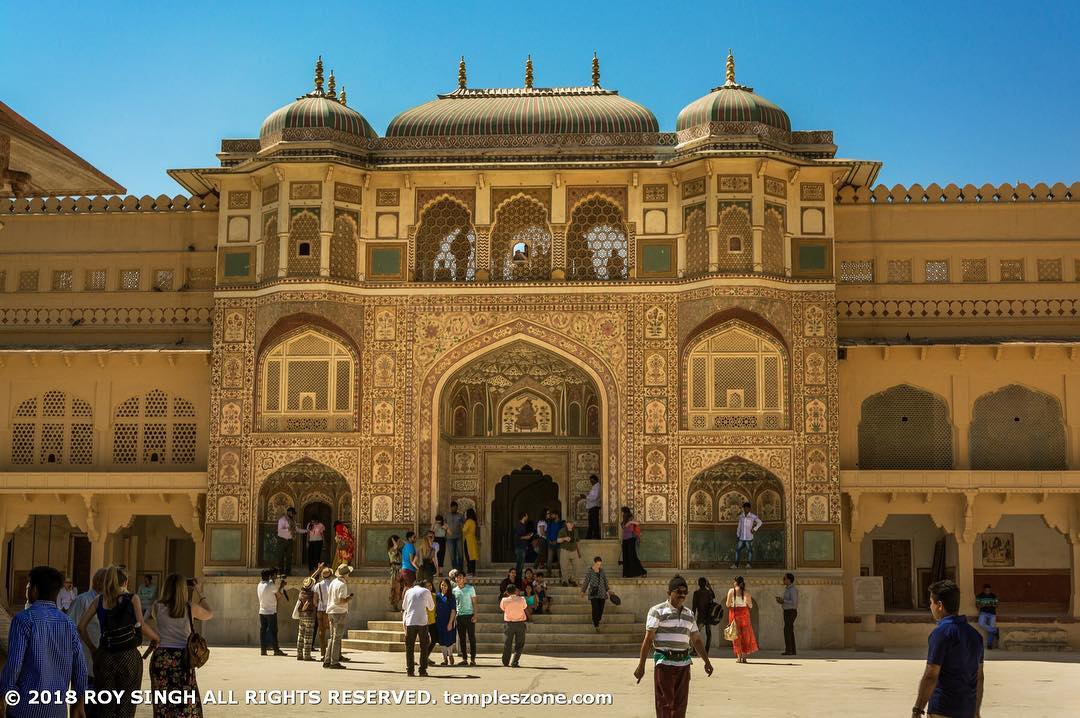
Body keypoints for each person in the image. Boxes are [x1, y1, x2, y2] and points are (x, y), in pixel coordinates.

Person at [2, 566, 89, 718]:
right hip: (56, 711)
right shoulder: (68, 623)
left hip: (24, 710)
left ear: (34, 590)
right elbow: (81, 669)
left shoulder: (23, 620)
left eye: (28, 585)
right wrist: (78, 704)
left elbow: (13, 665)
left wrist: (3, 696)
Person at [79, 566, 159, 718]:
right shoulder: (132, 598)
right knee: (126, 706)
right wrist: (156, 638)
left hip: (105, 656)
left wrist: (92, 648)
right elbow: (140, 624)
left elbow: (81, 627)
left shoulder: (99, 600)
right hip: (128, 656)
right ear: (126, 581)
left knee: (105, 706)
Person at [634, 575, 714, 718]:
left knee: (680, 706)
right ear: (669, 592)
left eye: (685, 592)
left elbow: (696, 640)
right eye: (678, 592)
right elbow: (648, 639)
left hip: (684, 664)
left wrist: (706, 661)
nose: (682, 595)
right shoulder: (657, 611)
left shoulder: (689, 614)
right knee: (665, 704)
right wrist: (641, 666)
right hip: (665, 663)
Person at [912, 579, 984, 718]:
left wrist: (918, 709)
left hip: (943, 709)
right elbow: (979, 677)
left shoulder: (941, 633)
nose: (930, 607)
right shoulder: (975, 635)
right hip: (967, 709)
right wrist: (976, 711)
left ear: (939, 605)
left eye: (931, 603)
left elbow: (931, 675)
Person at [147, 575, 212, 718]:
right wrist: (199, 591)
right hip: (182, 659)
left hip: (161, 657)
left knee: (162, 703)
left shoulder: (157, 606)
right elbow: (209, 613)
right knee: (185, 703)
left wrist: (157, 637)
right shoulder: (190, 608)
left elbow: (147, 621)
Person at [67, 568, 106, 700]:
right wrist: (91, 648)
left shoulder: (108, 602)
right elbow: (72, 628)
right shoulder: (82, 600)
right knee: (81, 704)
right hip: (85, 661)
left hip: (103, 662)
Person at [401, 573, 434, 677]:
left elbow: (404, 607)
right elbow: (431, 607)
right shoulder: (426, 591)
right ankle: (422, 670)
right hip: (422, 621)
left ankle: (410, 670)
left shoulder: (408, 591)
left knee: (409, 647)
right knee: (424, 646)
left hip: (410, 621)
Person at [323, 564, 353, 669]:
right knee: (337, 637)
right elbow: (341, 600)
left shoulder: (333, 582)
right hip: (339, 612)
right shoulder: (342, 585)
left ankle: (327, 659)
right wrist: (348, 598)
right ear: (345, 574)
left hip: (331, 611)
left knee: (332, 637)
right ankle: (334, 661)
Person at [725, 576, 758, 663]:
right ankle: (744, 657)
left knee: (736, 636)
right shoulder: (746, 592)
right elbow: (750, 606)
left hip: (734, 614)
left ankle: (739, 657)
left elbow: (727, 605)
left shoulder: (731, 591)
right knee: (746, 636)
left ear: (735, 582)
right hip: (744, 614)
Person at [256, 569, 286, 656]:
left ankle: (263, 650)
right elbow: (279, 595)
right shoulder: (270, 585)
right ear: (269, 576)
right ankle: (276, 650)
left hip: (262, 611)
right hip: (271, 611)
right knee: (273, 631)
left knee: (263, 631)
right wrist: (281, 586)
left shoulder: (259, 585)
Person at [499, 584, 528, 667]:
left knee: (507, 643)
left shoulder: (504, 600)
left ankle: (505, 661)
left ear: (507, 592)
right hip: (520, 623)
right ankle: (515, 661)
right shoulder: (522, 599)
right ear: (515, 591)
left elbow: (502, 608)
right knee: (519, 644)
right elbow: (524, 607)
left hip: (509, 624)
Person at [452, 572, 478, 666]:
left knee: (472, 638)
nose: (458, 579)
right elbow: (454, 605)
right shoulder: (454, 590)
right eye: (457, 577)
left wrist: (475, 615)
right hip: (459, 617)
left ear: (464, 579)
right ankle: (464, 658)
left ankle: (473, 659)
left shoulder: (470, 588)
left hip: (470, 615)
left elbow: (474, 602)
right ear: (455, 579)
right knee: (462, 638)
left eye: (460, 577)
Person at [581, 556, 610, 630]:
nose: (599, 566)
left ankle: (597, 620)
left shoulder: (602, 571)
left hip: (602, 593)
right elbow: (586, 581)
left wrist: (608, 590)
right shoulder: (590, 571)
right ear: (594, 563)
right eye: (597, 564)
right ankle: (596, 623)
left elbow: (605, 581)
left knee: (601, 609)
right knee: (595, 608)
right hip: (593, 593)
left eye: (600, 564)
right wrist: (583, 591)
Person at [731, 502, 762, 570]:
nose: (746, 509)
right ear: (743, 508)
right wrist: (738, 534)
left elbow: (760, 522)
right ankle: (736, 564)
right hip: (741, 537)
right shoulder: (741, 516)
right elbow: (739, 526)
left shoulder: (753, 516)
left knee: (750, 551)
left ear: (749, 509)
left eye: (747, 508)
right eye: (745, 508)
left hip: (749, 537)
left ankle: (749, 564)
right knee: (737, 550)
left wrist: (754, 529)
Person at [276, 507, 306, 575]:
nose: (293, 515)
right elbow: (279, 531)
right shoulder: (282, 520)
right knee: (281, 556)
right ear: (289, 512)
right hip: (282, 540)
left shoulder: (293, 521)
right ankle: (281, 572)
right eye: (293, 513)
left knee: (289, 557)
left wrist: (306, 531)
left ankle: (288, 572)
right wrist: (288, 530)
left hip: (289, 540)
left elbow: (297, 530)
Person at [312, 566, 333, 661]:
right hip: (329, 610)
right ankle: (334, 654)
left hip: (320, 610)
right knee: (334, 633)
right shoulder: (333, 584)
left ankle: (323, 654)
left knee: (321, 632)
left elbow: (315, 600)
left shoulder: (318, 585)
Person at [435, 579, 458, 665]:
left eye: (445, 585)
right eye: (442, 585)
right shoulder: (437, 596)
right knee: (441, 641)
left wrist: (450, 623)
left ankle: (450, 655)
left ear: (448, 587)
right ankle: (445, 659)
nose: (443, 587)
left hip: (448, 621)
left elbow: (453, 610)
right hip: (439, 621)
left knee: (449, 639)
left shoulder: (451, 597)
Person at [295, 576, 318, 661]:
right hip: (309, 615)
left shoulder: (301, 592)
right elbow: (314, 604)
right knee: (308, 636)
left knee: (300, 635)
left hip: (302, 616)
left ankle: (299, 654)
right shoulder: (311, 594)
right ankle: (307, 655)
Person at [620, 506, 648, 578]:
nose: (621, 513)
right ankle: (627, 573)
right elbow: (623, 526)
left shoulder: (630, 519)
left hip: (631, 540)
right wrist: (628, 523)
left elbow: (637, 524)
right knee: (626, 557)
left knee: (632, 556)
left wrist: (630, 522)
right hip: (625, 540)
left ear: (625, 512)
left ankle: (642, 572)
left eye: (622, 512)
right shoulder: (624, 520)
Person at [692, 577, 716, 655]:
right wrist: (710, 587)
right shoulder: (709, 592)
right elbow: (713, 597)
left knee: (696, 634)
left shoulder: (696, 593)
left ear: (698, 584)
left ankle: (695, 651)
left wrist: (692, 617)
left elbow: (694, 607)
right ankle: (706, 651)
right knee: (708, 634)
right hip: (708, 616)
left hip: (701, 617)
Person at [775, 573, 798, 656]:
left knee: (787, 630)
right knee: (789, 631)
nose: (783, 580)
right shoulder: (787, 589)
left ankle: (789, 650)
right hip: (787, 611)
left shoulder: (792, 589)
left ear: (789, 580)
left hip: (791, 612)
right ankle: (791, 650)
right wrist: (781, 601)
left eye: (784, 578)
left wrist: (784, 601)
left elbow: (794, 602)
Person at [557, 518, 583, 586]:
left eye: (572, 523)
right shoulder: (562, 531)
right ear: (566, 523)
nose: (571, 524)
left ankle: (575, 581)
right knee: (564, 566)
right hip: (565, 550)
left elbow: (577, 541)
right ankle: (565, 581)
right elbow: (558, 540)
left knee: (576, 567)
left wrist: (579, 552)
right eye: (569, 523)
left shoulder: (575, 531)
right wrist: (564, 538)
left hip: (574, 550)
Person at [975, 583, 999, 650]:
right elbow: (977, 605)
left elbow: (996, 605)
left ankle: (989, 645)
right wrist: (983, 605)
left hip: (992, 613)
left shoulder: (994, 596)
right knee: (981, 623)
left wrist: (992, 604)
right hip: (983, 613)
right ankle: (995, 630)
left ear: (990, 590)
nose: (987, 591)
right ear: (983, 590)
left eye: (989, 590)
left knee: (990, 628)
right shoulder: (979, 596)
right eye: (986, 590)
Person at [445, 501, 465, 573]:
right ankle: (455, 570)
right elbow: (444, 525)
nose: (454, 509)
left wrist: (461, 525)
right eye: (453, 508)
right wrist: (446, 530)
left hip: (459, 537)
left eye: (456, 508)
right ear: (451, 508)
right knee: (452, 555)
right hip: (450, 538)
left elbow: (464, 524)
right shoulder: (447, 515)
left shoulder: (460, 515)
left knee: (460, 554)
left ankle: (461, 570)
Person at [512, 512, 534, 577]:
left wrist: (528, 535)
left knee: (521, 564)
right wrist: (526, 537)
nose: (527, 517)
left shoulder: (523, 525)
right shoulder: (519, 525)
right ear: (523, 517)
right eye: (527, 516)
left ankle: (518, 578)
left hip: (523, 547)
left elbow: (522, 535)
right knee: (519, 564)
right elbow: (517, 537)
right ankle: (517, 578)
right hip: (520, 547)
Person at [387, 535, 403, 609]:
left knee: (400, 588)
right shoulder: (391, 550)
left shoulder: (399, 550)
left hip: (400, 569)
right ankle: (394, 604)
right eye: (398, 541)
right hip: (395, 570)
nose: (399, 543)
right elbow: (395, 546)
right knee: (395, 587)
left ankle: (398, 603)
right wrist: (393, 539)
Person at [584, 474, 602, 539]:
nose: (591, 482)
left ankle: (595, 536)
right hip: (592, 507)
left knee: (594, 522)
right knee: (592, 523)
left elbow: (594, 497)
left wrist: (586, 496)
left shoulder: (597, 487)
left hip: (594, 507)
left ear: (595, 480)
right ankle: (591, 536)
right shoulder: (595, 487)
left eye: (592, 480)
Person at [462, 508, 479, 577]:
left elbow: (464, 530)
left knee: (468, 556)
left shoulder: (468, 521)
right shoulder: (474, 521)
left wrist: (461, 526)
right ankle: (473, 571)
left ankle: (469, 572)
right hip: (473, 539)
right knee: (472, 556)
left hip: (468, 540)